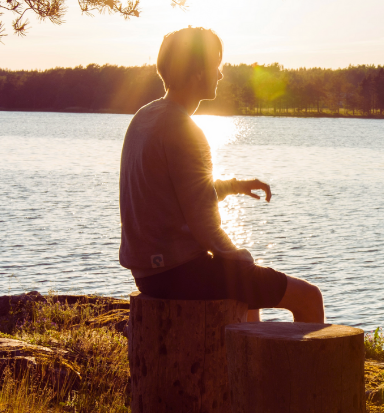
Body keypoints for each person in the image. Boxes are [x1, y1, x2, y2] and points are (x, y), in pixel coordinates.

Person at [119, 27, 324, 323]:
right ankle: (309, 371)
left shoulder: (146, 116)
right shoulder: (184, 129)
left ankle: (250, 367)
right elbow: (205, 224)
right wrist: (242, 258)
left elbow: (177, 194)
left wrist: (233, 186)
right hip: (178, 273)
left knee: (247, 292)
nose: (221, 74)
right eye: (216, 66)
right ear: (199, 73)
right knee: (308, 296)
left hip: (148, 273)